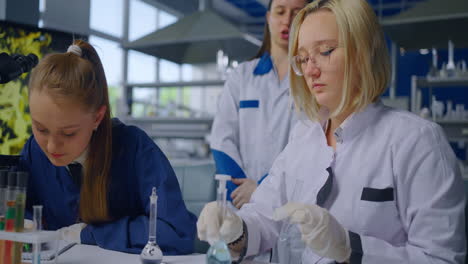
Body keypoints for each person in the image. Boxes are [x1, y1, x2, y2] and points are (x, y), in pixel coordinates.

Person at [197, 0, 466, 263]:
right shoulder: (304, 136)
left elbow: (440, 257)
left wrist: (352, 249)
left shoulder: (416, 141)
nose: (310, 70)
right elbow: (266, 216)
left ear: (365, 51)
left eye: (325, 51)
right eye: (302, 59)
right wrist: (235, 230)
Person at [19, 40, 197, 254]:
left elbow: (178, 233)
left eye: (68, 133)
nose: (51, 145)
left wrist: (89, 234)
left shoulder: (135, 149)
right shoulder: (33, 152)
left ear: (97, 117)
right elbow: (21, 217)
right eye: (40, 129)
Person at [210, 0, 310, 209]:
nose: (287, 20)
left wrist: (264, 189)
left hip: (290, 202)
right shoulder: (242, 76)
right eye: (280, 12)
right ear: (268, 18)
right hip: (239, 200)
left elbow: (310, 147)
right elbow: (221, 140)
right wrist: (240, 191)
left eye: (297, 13)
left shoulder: (313, 78)